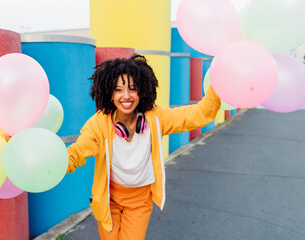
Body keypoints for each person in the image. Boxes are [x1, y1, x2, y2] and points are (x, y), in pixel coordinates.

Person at [67, 54, 221, 240]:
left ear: (142, 90)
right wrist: (57, 163)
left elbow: (198, 114)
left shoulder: (156, 118)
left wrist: (219, 85)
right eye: (118, 90)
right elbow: (78, 151)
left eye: (133, 89)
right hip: (109, 199)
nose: (126, 96)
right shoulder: (99, 124)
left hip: (139, 200)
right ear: (109, 93)